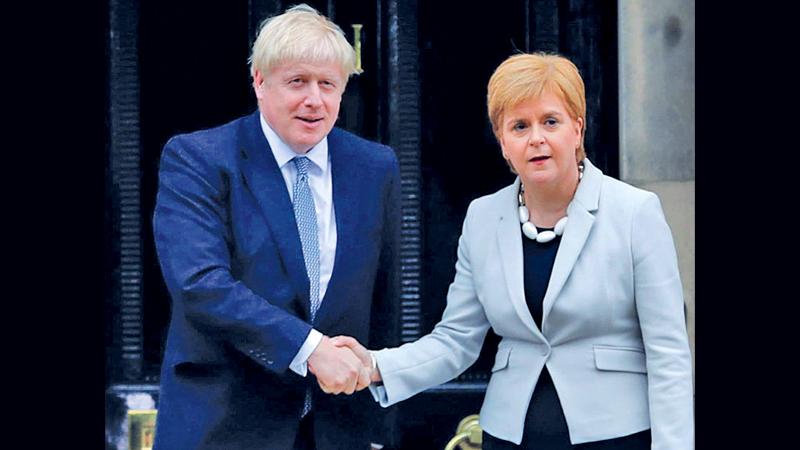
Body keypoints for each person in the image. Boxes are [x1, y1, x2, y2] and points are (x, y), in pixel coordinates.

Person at [334, 52, 694, 449]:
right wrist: (374, 365)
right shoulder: (483, 217)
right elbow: (457, 340)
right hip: (509, 437)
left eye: (551, 122)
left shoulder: (634, 212)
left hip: (617, 437)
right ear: (503, 142)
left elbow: (668, 353)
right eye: (519, 126)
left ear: (577, 129)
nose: (536, 138)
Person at [151, 4, 399, 449]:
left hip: (336, 430)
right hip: (225, 427)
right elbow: (200, 284)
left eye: (328, 84)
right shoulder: (199, 159)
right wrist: (311, 349)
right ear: (260, 82)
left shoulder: (373, 166)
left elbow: (383, 299)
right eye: (297, 81)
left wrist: (379, 418)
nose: (314, 99)